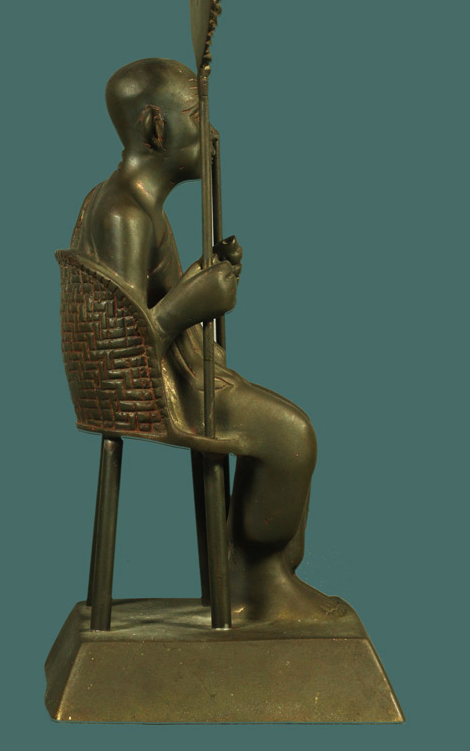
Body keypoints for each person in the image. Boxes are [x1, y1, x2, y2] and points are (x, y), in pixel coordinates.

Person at [70, 57, 347, 623]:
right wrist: (193, 303)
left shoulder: (142, 207)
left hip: (178, 370)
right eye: (197, 116)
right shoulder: (124, 214)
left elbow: (157, 303)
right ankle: (259, 581)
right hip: (153, 389)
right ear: (156, 127)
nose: (213, 133)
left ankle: (271, 571)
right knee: (291, 436)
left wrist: (207, 278)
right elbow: (126, 340)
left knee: (287, 433)